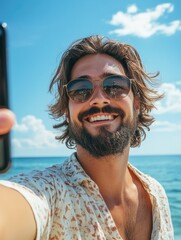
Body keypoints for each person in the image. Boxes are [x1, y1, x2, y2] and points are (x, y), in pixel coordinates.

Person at [0, 35, 173, 240]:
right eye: (81, 90)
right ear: (67, 112)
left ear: (136, 103)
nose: (99, 99)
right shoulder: (49, 192)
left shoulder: (156, 193)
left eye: (115, 85)